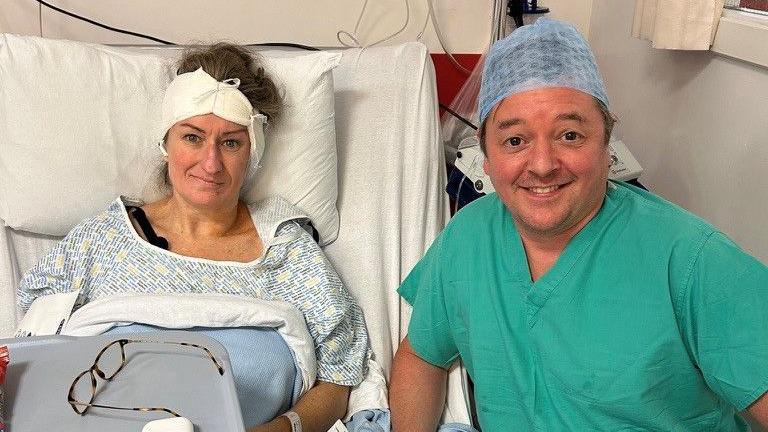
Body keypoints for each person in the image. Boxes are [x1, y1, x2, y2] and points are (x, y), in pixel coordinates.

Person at [390, 18, 768, 432]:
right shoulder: (467, 239)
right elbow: (421, 355)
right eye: (515, 141)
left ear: (608, 146)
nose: (542, 165)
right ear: (487, 158)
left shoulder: (694, 263)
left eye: (569, 135)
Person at [17, 43, 369, 432]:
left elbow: (339, 378)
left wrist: (281, 430)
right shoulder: (101, 241)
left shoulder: (287, 252)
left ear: (253, 152)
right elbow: (35, 356)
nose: (211, 163)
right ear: (166, 143)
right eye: (192, 137)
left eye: (231, 142)